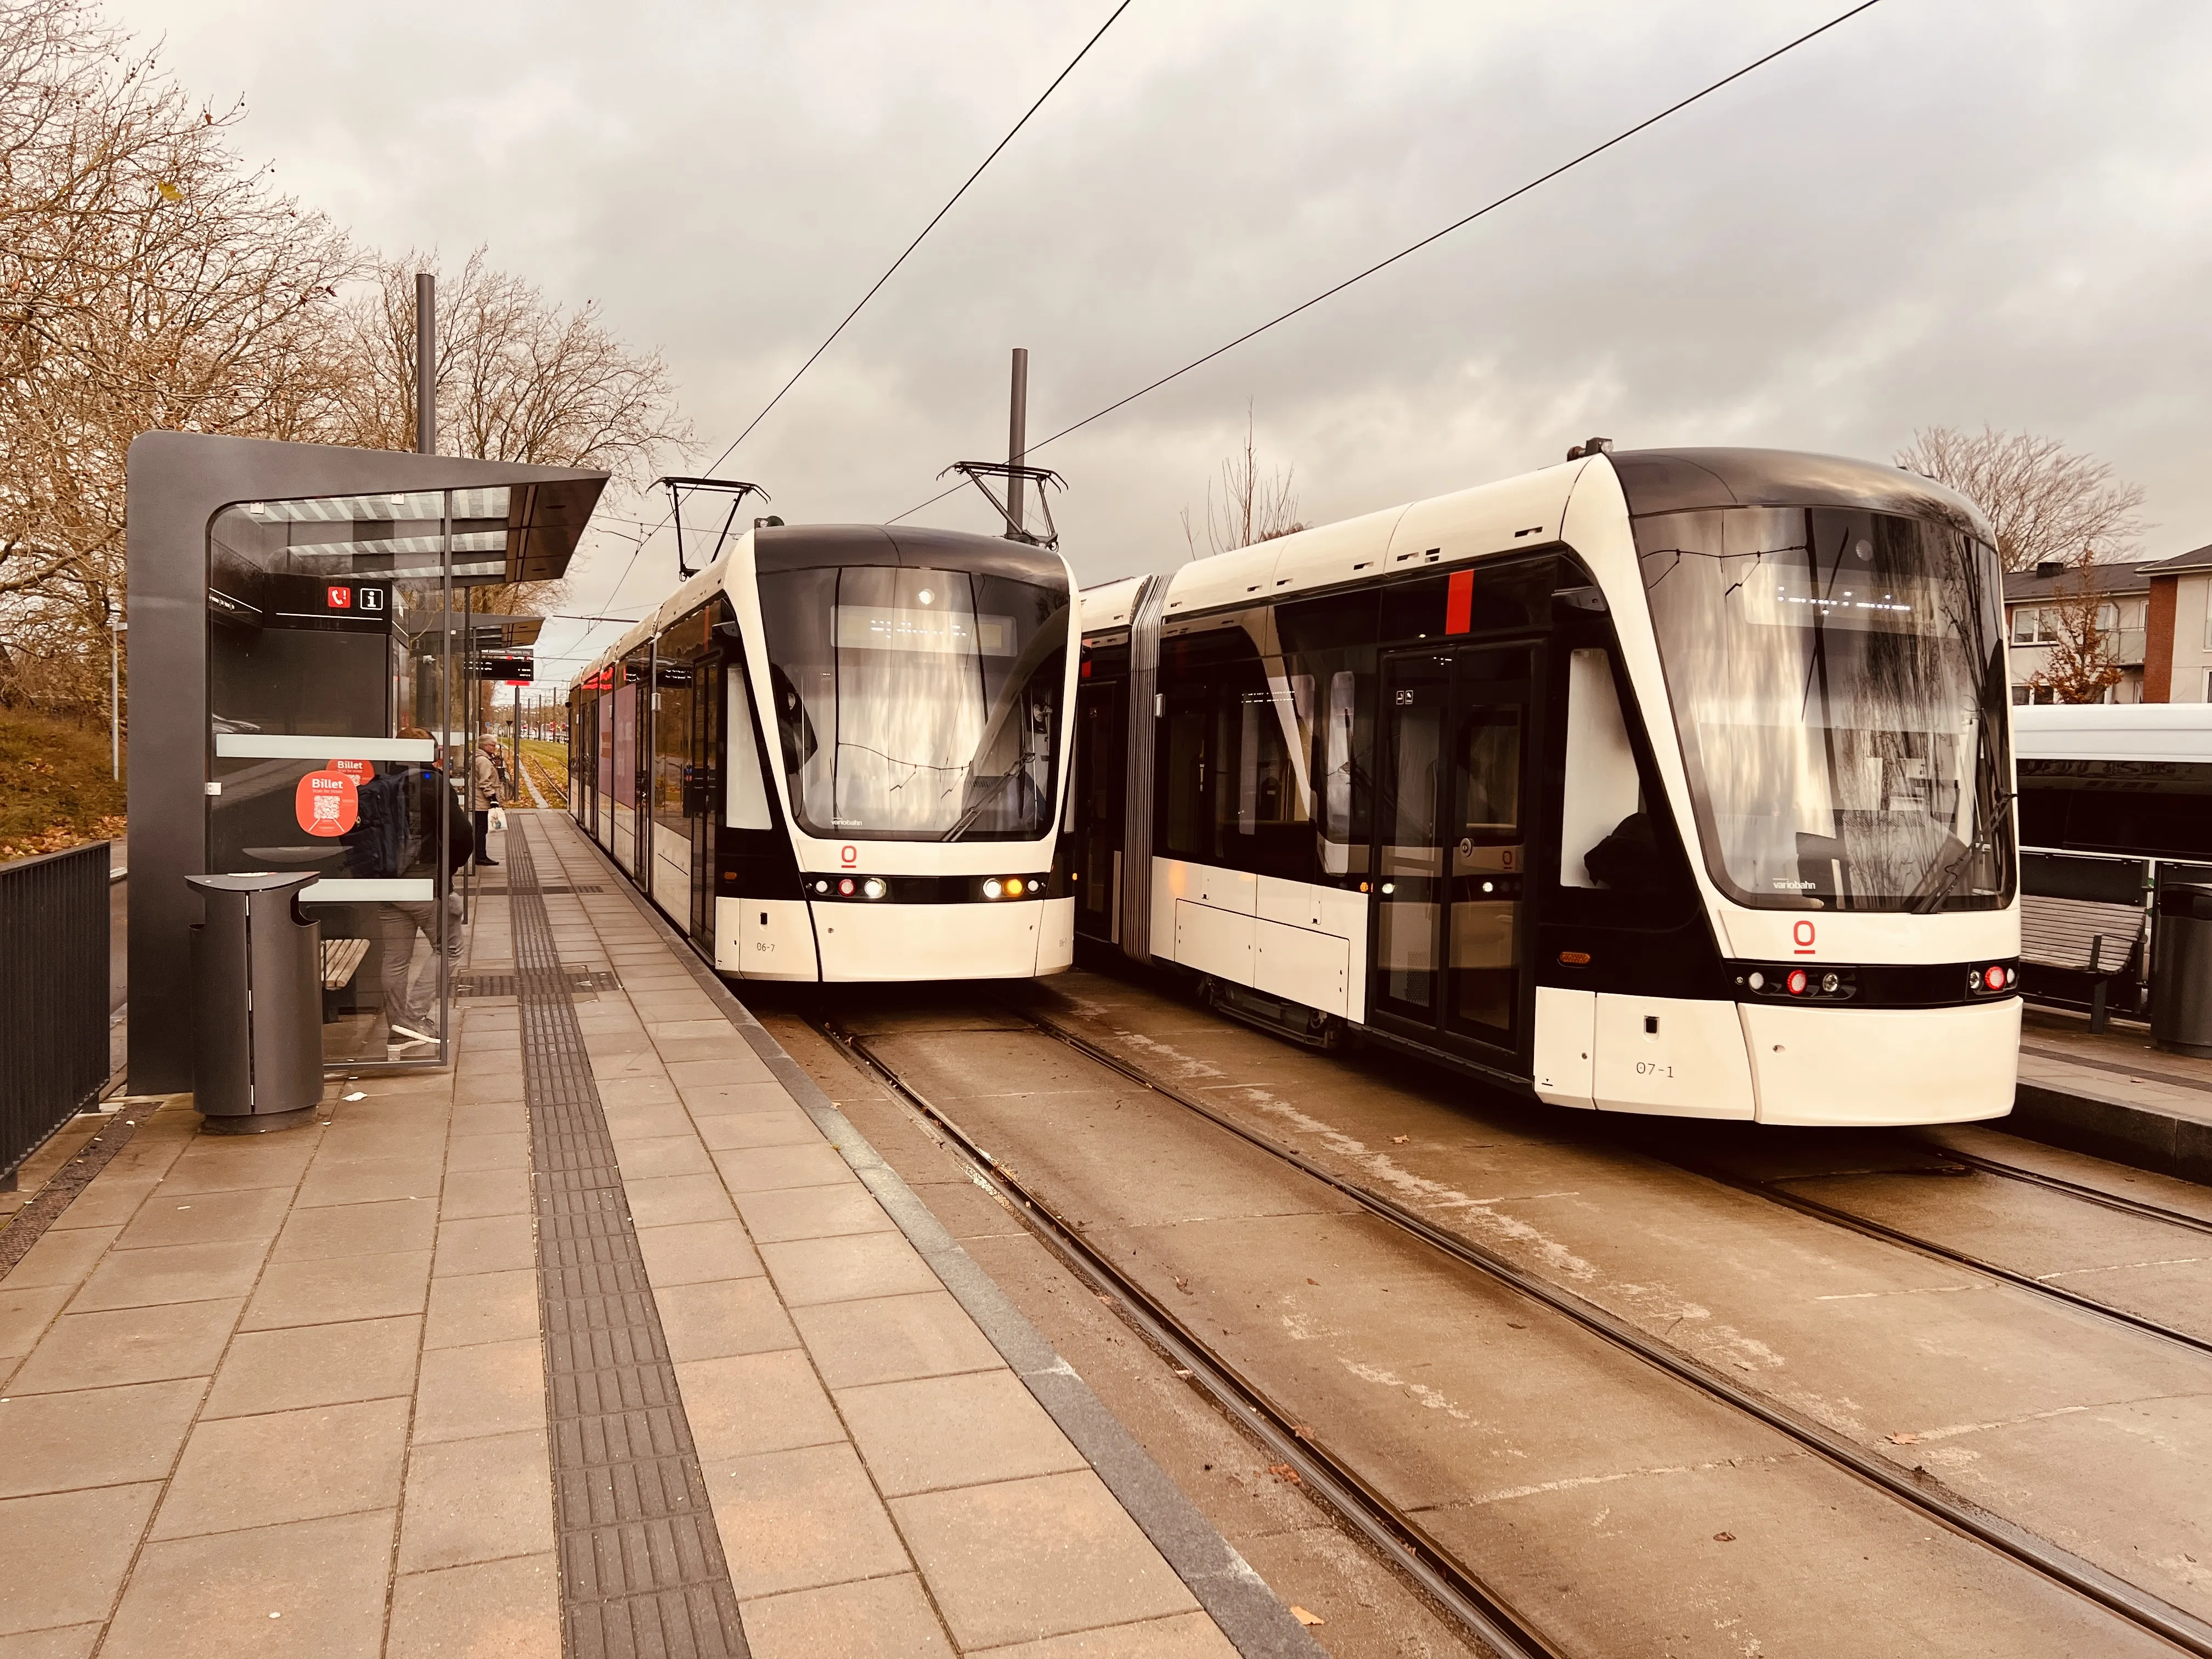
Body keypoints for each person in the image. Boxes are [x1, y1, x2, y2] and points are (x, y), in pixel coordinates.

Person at [353, 728, 473, 1059]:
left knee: (395, 960)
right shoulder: (430, 783)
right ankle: (413, 1018)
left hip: (386, 887)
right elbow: (463, 835)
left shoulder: (376, 786)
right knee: (449, 948)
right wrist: (445, 872)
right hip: (424, 885)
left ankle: (399, 1029)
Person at [469, 733, 505, 867]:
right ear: (484, 745)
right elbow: (485, 782)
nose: (494, 747)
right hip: (482, 801)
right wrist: (492, 798)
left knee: (480, 828)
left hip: (479, 800)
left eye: (495, 745)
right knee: (482, 829)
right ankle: (481, 856)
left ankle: (480, 855)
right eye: (492, 745)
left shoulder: (480, 759)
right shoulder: (483, 761)